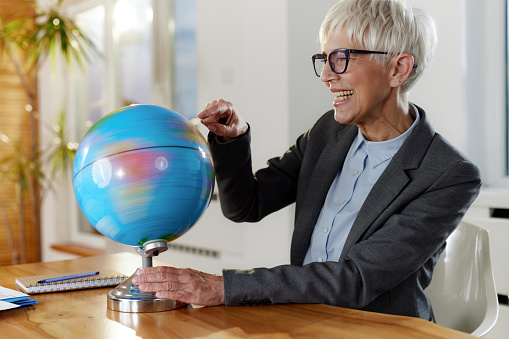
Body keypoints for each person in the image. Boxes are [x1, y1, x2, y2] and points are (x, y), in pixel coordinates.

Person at [132, 0, 481, 321]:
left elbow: (356, 279)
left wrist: (224, 286)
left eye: (341, 58)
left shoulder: (449, 174)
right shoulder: (329, 132)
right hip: (307, 319)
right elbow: (247, 206)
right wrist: (231, 140)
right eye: (324, 59)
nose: (327, 76)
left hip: (380, 328)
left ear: (398, 69)